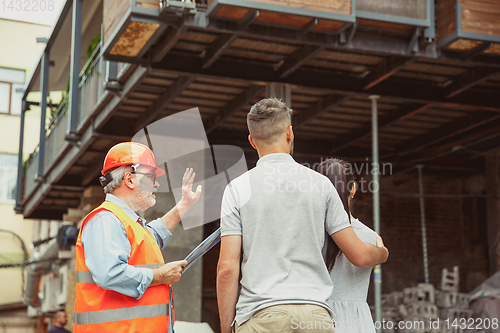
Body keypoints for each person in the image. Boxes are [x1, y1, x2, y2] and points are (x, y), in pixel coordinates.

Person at [216, 98, 389, 333]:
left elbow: (227, 269)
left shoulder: (237, 188)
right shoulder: (321, 185)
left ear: (252, 141)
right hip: (314, 317)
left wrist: (227, 328)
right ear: (290, 133)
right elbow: (358, 255)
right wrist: (382, 252)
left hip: (261, 314)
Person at [74, 142, 202, 333]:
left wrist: (184, 204)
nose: (156, 183)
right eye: (151, 176)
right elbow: (110, 274)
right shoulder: (105, 219)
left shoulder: (125, 220)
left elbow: (153, 236)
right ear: (130, 180)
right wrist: (160, 276)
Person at [318, 158, 383, 333]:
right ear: (353, 188)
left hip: (317, 317)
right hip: (357, 322)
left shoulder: (310, 231)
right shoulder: (369, 236)